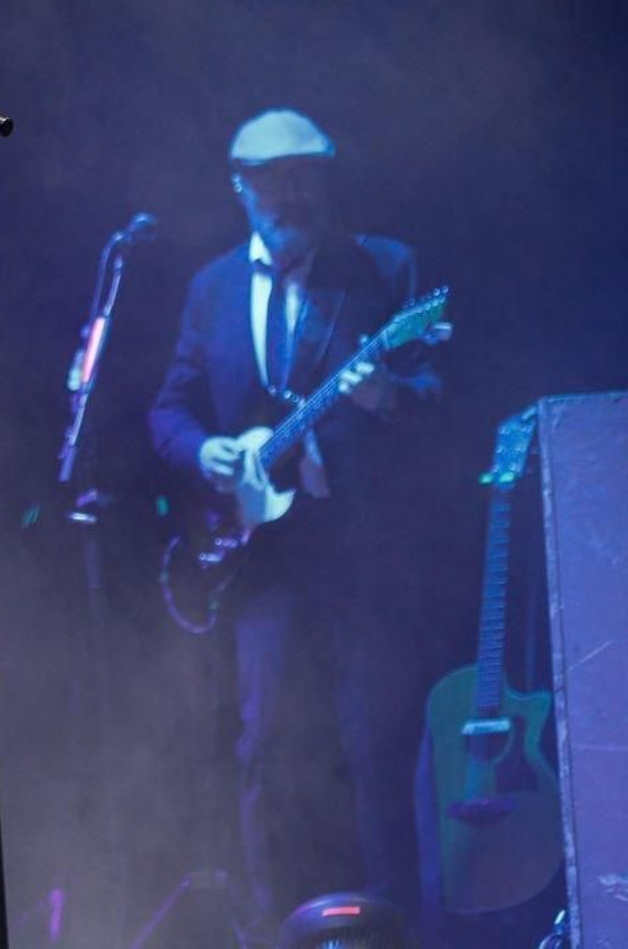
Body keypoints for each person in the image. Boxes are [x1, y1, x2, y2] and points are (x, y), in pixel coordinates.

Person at [148, 109, 442, 934]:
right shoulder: (210, 288)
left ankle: (403, 932)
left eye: (307, 175)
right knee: (264, 750)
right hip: (261, 563)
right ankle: (276, 929)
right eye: (274, 179)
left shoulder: (383, 269)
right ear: (240, 187)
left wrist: (384, 393)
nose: (293, 192)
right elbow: (168, 408)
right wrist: (206, 452)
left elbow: (437, 399)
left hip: (363, 557)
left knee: (378, 747)